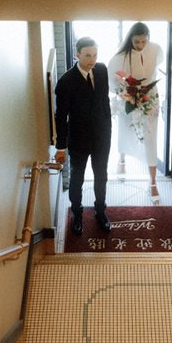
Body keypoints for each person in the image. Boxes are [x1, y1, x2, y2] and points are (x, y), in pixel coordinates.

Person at [54, 37, 112, 237]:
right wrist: (60, 147)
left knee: (101, 175)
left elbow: (104, 100)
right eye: (87, 55)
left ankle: (100, 211)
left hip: (102, 136)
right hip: (78, 138)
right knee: (77, 178)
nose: (92, 60)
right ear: (76, 54)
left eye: (95, 55)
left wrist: (107, 125)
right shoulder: (66, 82)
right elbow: (61, 117)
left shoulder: (102, 70)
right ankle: (77, 214)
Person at [107, 23, 164, 199]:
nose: (140, 45)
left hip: (150, 98)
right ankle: (122, 157)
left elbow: (157, 66)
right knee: (125, 129)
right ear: (130, 39)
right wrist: (126, 93)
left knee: (150, 136)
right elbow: (112, 80)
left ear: (149, 38)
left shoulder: (156, 49)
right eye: (137, 41)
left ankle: (153, 181)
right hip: (128, 98)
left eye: (143, 41)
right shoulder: (120, 57)